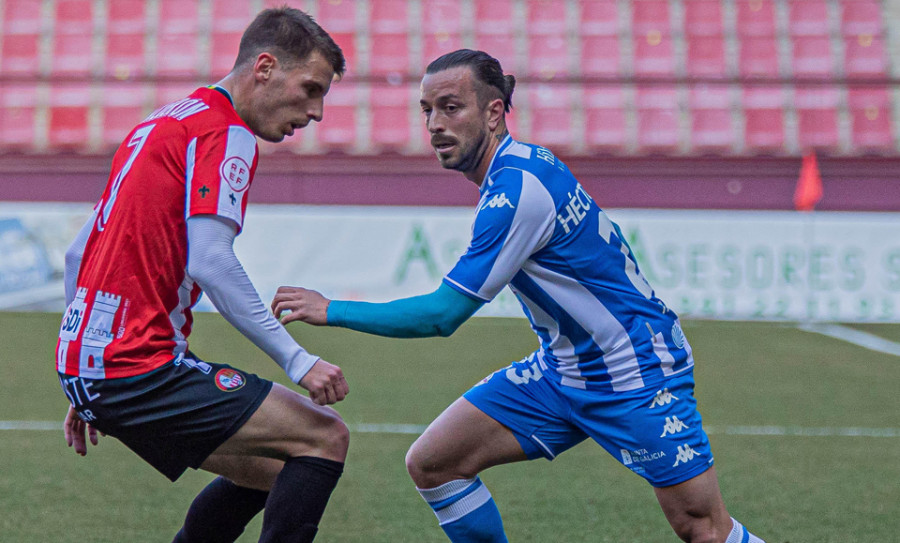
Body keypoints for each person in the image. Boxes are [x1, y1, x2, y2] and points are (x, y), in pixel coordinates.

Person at [271, 49, 766, 543]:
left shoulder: (517, 190)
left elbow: (443, 314)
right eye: (427, 110)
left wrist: (330, 309)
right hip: (565, 370)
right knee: (435, 463)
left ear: (492, 112)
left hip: (634, 369)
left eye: (450, 107)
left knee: (703, 528)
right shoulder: (520, 166)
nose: (435, 124)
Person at [56, 8, 350, 543]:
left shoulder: (161, 122)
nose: (316, 112)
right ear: (264, 68)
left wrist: (84, 380)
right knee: (323, 437)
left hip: (89, 364)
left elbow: (79, 253)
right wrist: (299, 359)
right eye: (310, 89)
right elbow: (210, 260)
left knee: (275, 473)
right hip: (136, 364)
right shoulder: (225, 132)